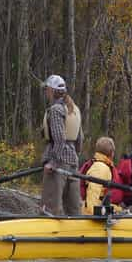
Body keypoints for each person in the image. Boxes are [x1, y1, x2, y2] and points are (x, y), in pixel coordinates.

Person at [41, 74, 83, 216]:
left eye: (46, 89)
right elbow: (80, 138)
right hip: (73, 161)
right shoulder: (74, 109)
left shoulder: (56, 110)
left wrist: (53, 162)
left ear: (52, 90)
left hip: (58, 163)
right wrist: (75, 156)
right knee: (74, 207)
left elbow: (59, 139)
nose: (46, 92)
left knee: (52, 206)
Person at [79, 137, 123, 215]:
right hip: (95, 209)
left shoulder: (101, 165)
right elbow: (93, 193)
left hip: (102, 205)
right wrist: (93, 213)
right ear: (111, 152)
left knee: (121, 210)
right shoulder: (100, 168)